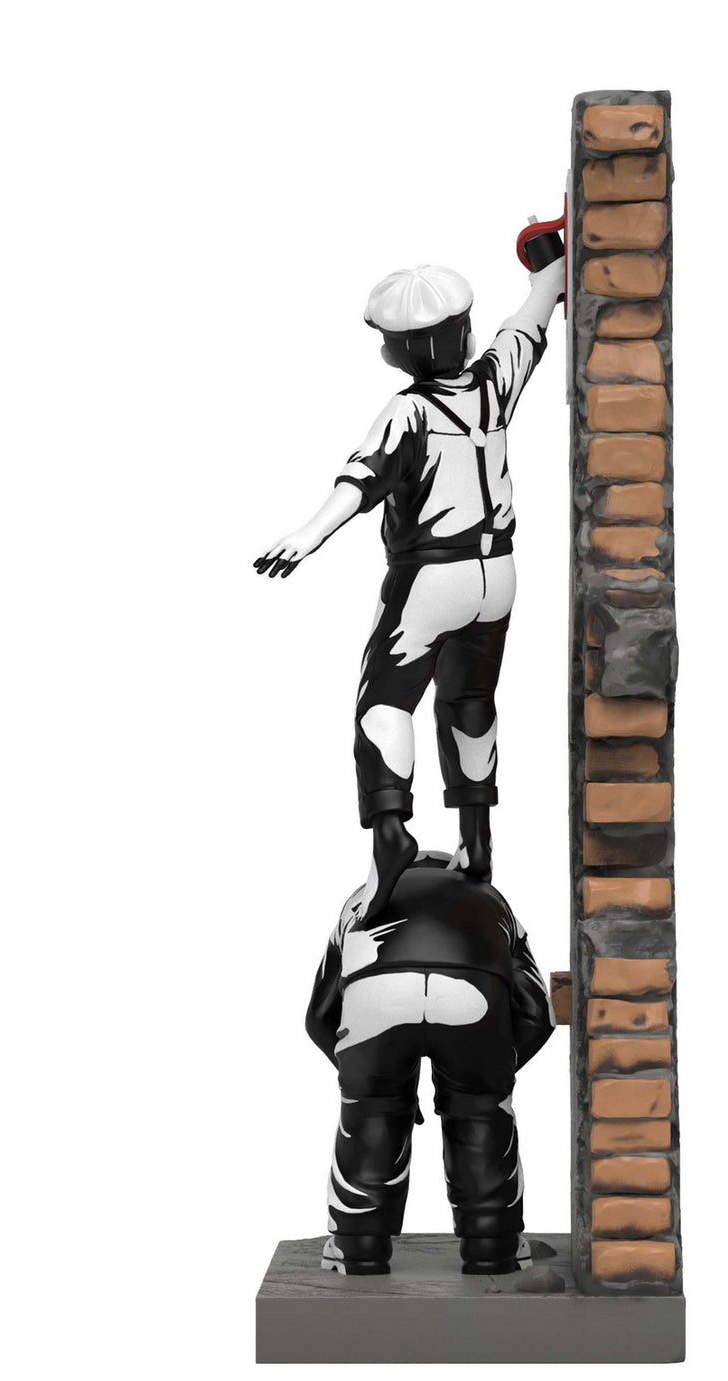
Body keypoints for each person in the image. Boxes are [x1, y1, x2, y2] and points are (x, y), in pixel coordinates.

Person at [255, 258, 566, 919]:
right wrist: (551, 268)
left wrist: (308, 534)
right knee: (470, 699)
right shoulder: (494, 383)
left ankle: (390, 834)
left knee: (385, 699)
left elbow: (361, 478)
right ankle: (477, 840)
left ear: (403, 351)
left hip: (428, 575)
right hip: (498, 573)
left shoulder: (409, 410)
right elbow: (529, 320)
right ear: (462, 332)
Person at [304, 852, 554, 1275]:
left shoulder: (359, 902)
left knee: (371, 1116)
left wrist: (366, 1082)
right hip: (472, 995)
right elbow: (538, 1013)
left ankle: (356, 1246)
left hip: (376, 994)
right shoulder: (493, 900)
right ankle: (494, 1246)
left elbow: (318, 1017)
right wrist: (492, 1076)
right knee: (480, 1115)